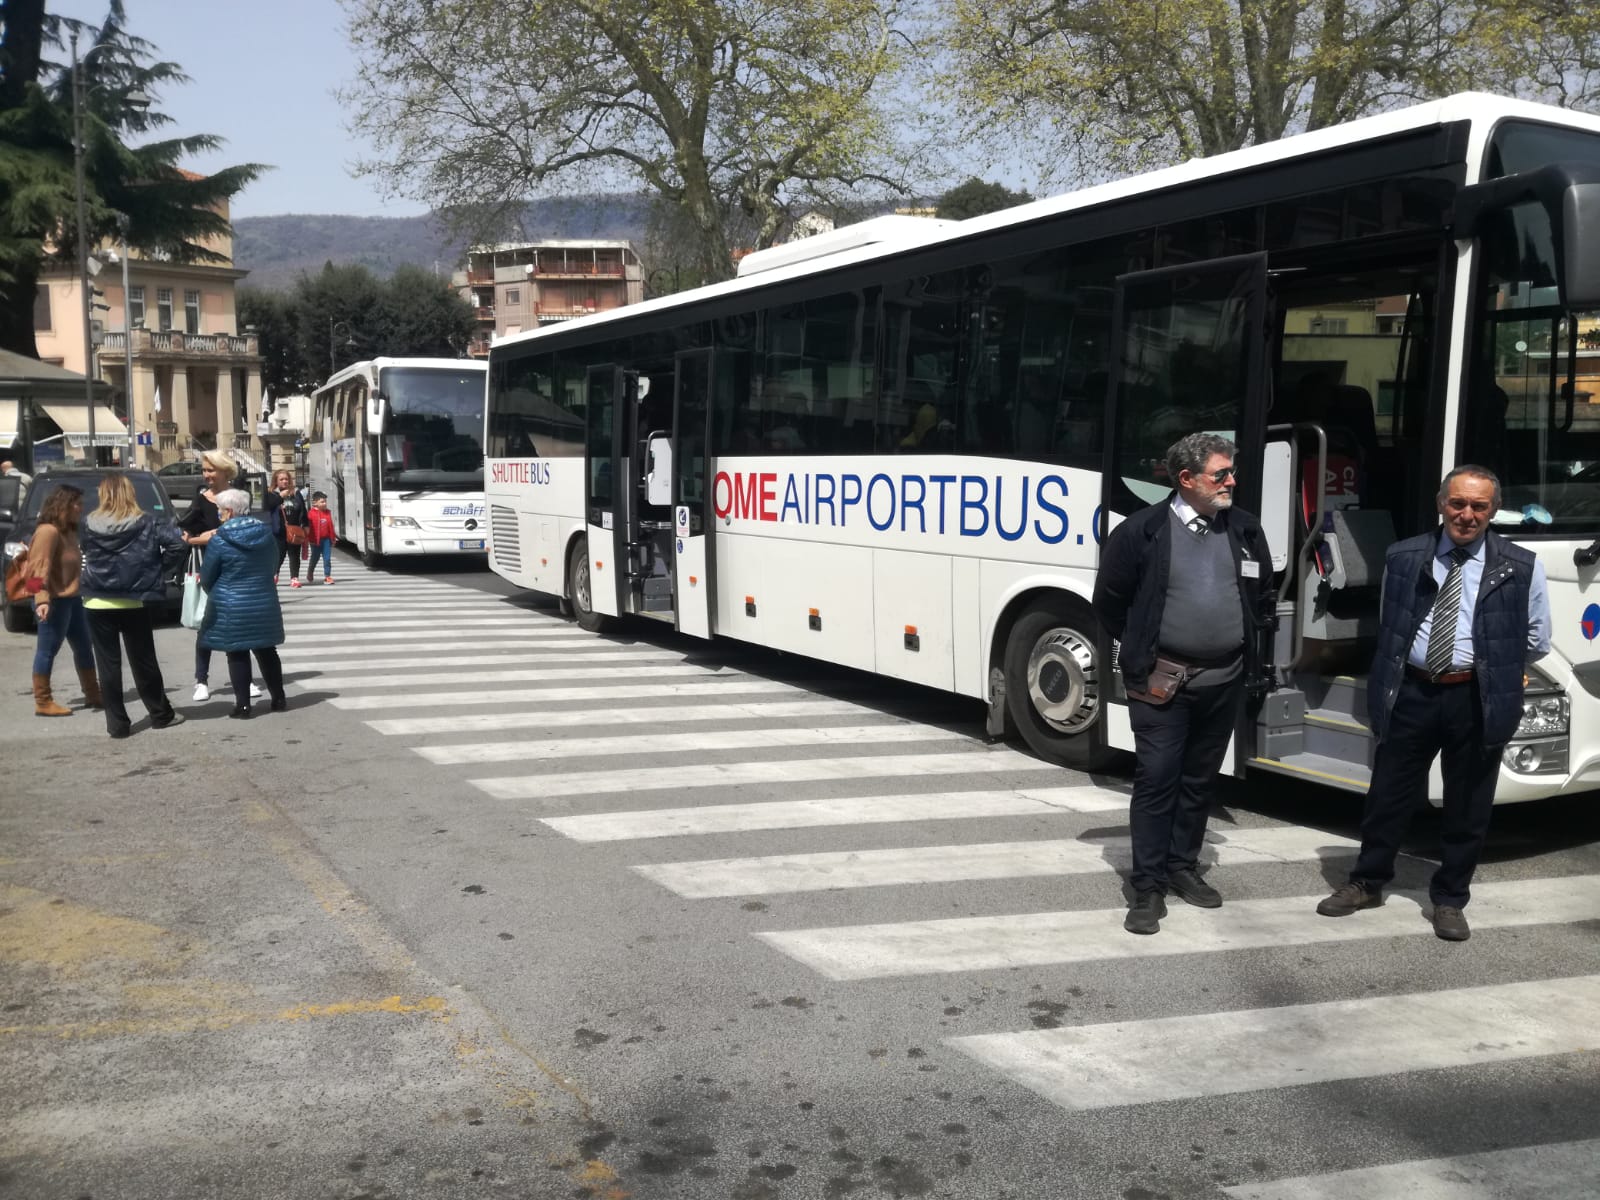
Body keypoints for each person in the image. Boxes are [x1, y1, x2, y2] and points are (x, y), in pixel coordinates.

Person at [1317, 465, 1550, 941]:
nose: (1467, 515)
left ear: (1492, 510)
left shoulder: (1521, 564)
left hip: (1474, 697)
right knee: (1388, 796)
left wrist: (1497, 668)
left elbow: (1537, 638)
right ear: (1441, 504)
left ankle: (1448, 899)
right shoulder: (1403, 557)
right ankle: (1367, 881)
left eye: (1479, 506)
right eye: (1458, 503)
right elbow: (1392, 624)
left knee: (1467, 805)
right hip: (1413, 692)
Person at [1092, 432, 1275, 935]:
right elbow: (1109, 602)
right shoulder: (1141, 531)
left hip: (1225, 680)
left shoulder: (1243, 529)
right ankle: (1147, 885)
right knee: (1157, 780)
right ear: (1186, 479)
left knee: (1199, 781)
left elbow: (1261, 595)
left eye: (1231, 472)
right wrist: (1142, 653)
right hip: (1161, 684)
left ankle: (1182, 866)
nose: (1231, 482)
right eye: (1221, 474)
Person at [79, 473, 186, 738]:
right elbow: (177, 545)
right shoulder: (148, 521)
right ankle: (160, 714)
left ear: (103, 495)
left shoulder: (88, 523)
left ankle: (117, 725)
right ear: (130, 494)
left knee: (108, 665)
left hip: (96, 598)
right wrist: (160, 572)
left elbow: (83, 550)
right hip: (135, 598)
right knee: (143, 660)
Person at [197, 487, 287, 719]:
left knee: (237, 652)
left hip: (230, 604)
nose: (218, 514)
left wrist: (218, 592)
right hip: (263, 600)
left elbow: (207, 576)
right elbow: (273, 564)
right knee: (267, 649)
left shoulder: (220, 540)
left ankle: (243, 706)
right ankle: (278, 698)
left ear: (228, 511)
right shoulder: (266, 534)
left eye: (219, 510)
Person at [178, 451, 259, 703]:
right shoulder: (201, 500)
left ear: (225, 471)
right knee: (207, 624)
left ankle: (245, 679)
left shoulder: (239, 497)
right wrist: (209, 535)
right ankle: (201, 680)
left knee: (238, 624)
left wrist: (217, 533)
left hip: (237, 568)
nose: (206, 475)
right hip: (210, 567)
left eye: (211, 470)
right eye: (204, 470)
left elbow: (246, 529)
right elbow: (185, 536)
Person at [24, 484, 100, 716]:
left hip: (73, 598)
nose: (81, 507)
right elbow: (36, 569)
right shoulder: (48, 531)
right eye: (76, 503)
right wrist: (41, 600)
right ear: (62, 505)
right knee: (47, 650)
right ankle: (43, 701)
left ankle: (93, 693)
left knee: (84, 647)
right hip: (54, 601)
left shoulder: (68, 532)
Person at [264, 469, 308, 587]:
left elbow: (303, 509)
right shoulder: (271, 494)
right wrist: (280, 496)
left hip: (294, 529)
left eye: (286, 479)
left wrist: (305, 524)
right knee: (279, 554)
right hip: (279, 530)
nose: (284, 481)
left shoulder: (295, 493)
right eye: (281, 479)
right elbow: (268, 506)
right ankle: (275, 574)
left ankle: (294, 578)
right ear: (276, 481)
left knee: (294, 554)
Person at [306, 491, 336, 584]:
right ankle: (310, 572)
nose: (325, 503)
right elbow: (308, 528)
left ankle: (327, 576)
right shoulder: (311, 514)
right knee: (315, 558)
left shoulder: (327, 513)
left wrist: (333, 538)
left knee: (327, 558)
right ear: (315, 503)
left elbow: (330, 526)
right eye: (322, 502)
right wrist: (307, 539)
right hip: (315, 541)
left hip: (326, 540)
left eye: (325, 501)